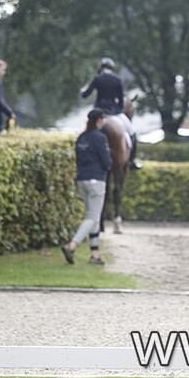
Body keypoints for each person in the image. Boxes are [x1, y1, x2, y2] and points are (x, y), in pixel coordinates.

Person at [62, 109, 112, 265]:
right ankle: (72, 245)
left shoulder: (81, 137)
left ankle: (95, 254)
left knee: (93, 217)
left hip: (82, 180)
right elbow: (106, 162)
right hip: (96, 180)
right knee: (92, 218)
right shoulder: (100, 138)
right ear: (99, 121)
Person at [81, 57, 142, 169]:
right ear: (112, 68)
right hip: (114, 112)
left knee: (84, 133)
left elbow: (85, 95)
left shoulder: (97, 79)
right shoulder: (117, 80)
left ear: (101, 68)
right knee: (132, 133)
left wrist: (82, 90)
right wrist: (119, 109)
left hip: (99, 112)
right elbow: (120, 100)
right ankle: (132, 161)